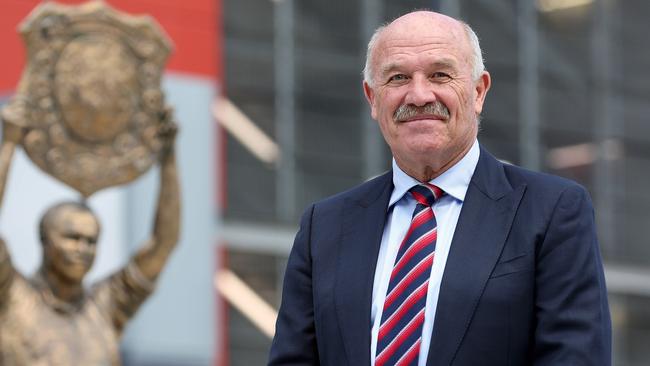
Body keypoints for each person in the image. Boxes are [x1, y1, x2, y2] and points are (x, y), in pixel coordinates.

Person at [268, 10, 611, 366]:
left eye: (440, 75)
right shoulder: (324, 227)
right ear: (372, 98)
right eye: (398, 77)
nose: (418, 95)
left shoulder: (552, 211)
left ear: (478, 91)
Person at [0, 116, 180, 365]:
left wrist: (168, 158)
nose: (83, 249)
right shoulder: (10, 297)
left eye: (91, 241)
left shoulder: (106, 308)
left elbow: (162, 244)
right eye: (72, 238)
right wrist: (8, 144)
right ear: (45, 240)